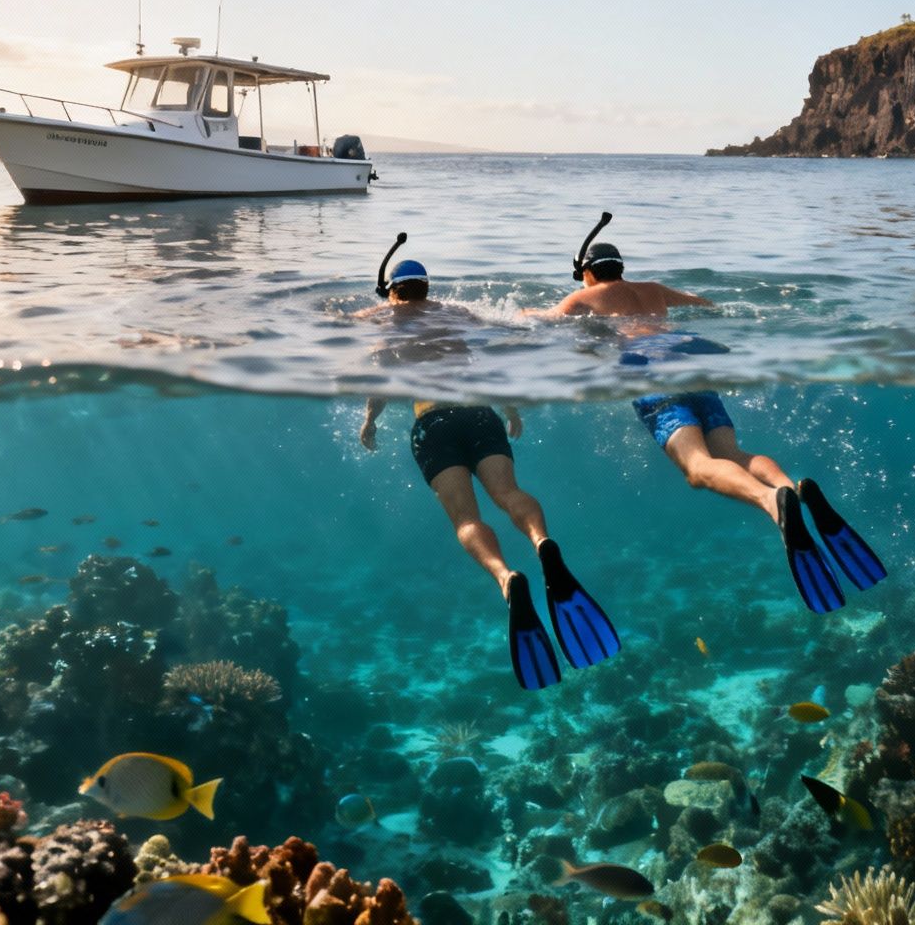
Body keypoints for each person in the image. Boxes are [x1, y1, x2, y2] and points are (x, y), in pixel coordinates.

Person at [532, 215, 887, 614]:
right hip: (688, 362)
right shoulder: (654, 290)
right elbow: (709, 306)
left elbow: (537, 323)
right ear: (620, 268)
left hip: (650, 373)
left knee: (699, 468)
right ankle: (792, 488)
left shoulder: (582, 299)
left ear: (588, 274)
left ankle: (772, 502)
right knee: (732, 453)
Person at [357, 236, 618, 690]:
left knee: (466, 518)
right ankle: (541, 543)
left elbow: (378, 374)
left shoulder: (383, 320)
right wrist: (510, 407)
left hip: (433, 422)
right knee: (509, 493)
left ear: (393, 291)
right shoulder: (455, 314)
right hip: (480, 412)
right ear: (427, 286)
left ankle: (505, 576)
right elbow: (491, 353)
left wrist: (369, 419)